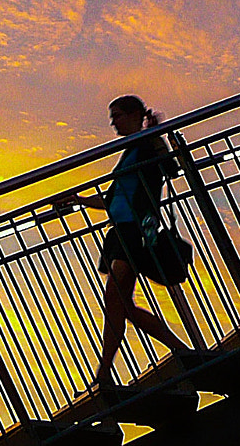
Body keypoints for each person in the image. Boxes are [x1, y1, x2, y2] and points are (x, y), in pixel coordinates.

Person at [68, 94, 202, 392]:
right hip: (120, 231)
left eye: (117, 115)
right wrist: (77, 200)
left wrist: (156, 135)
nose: (113, 122)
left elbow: (169, 169)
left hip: (136, 230)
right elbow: (112, 198)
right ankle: (107, 372)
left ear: (133, 115)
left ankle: (108, 372)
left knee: (115, 297)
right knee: (119, 304)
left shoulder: (144, 145)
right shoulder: (129, 151)